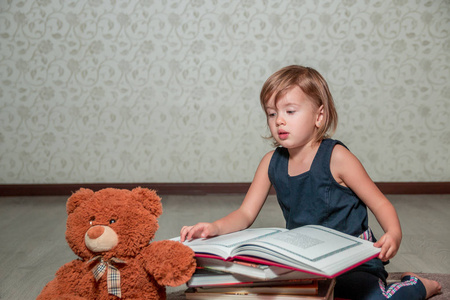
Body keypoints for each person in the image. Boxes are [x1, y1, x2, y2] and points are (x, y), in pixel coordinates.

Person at [180, 65, 441, 299]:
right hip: (303, 262)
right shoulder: (271, 161)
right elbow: (245, 213)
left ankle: (418, 285)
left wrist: (393, 233)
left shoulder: (337, 157)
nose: (279, 120)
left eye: (290, 111)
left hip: (352, 261)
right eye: (272, 114)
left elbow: (380, 203)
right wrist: (213, 227)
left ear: (319, 116)